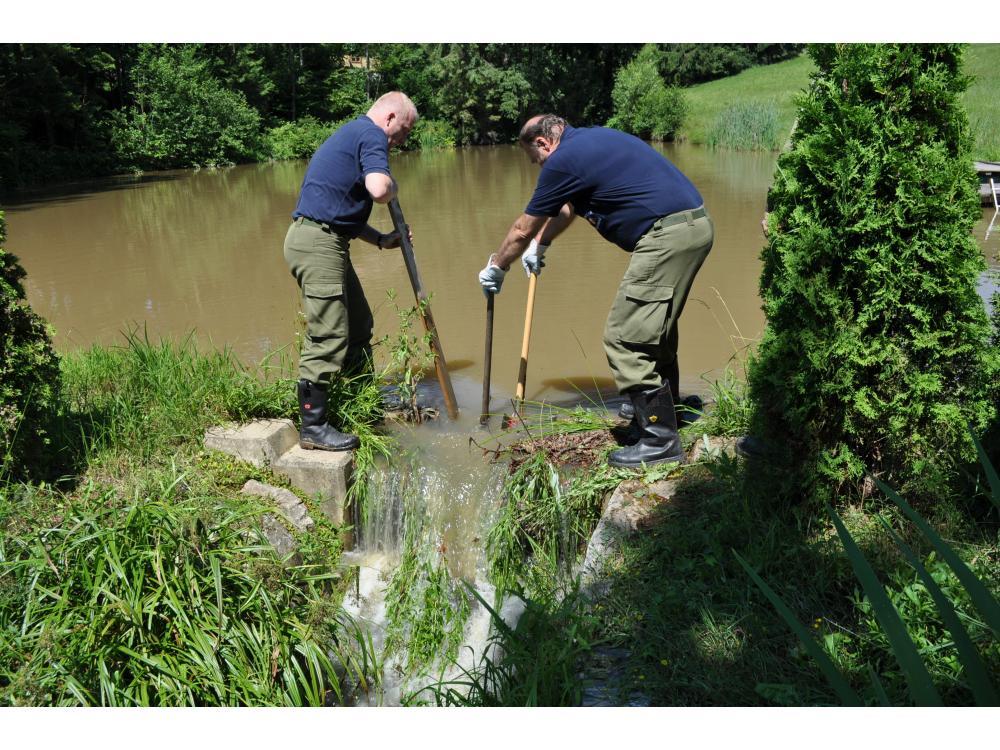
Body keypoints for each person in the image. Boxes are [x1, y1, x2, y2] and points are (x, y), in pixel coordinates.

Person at [478, 114, 713, 467]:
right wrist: (542, 244)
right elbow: (567, 208)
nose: (537, 165)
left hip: (668, 236)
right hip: (693, 227)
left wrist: (497, 266)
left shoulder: (561, 160)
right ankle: (671, 411)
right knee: (654, 330)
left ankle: (660, 441)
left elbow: (521, 228)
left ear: (543, 143)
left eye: (534, 158)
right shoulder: (591, 142)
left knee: (625, 337)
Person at [284, 91, 417, 451]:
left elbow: (342, 213)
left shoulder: (354, 134)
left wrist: (381, 240)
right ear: (390, 118)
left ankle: (364, 402)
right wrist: (393, 184)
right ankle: (313, 426)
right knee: (328, 334)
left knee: (358, 325)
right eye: (403, 132)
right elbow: (379, 188)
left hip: (325, 239)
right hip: (318, 243)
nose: (400, 142)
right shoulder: (371, 133)